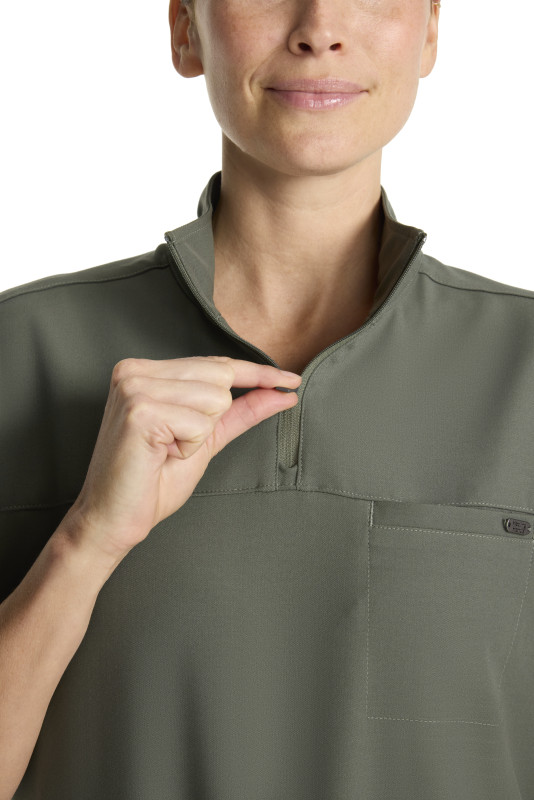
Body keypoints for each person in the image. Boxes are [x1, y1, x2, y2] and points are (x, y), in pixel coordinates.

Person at [1, 0, 534, 797]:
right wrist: (86, 542)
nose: (319, 27)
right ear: (186, 29)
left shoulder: (523, 368)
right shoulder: (18, 354)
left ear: (430, 31)